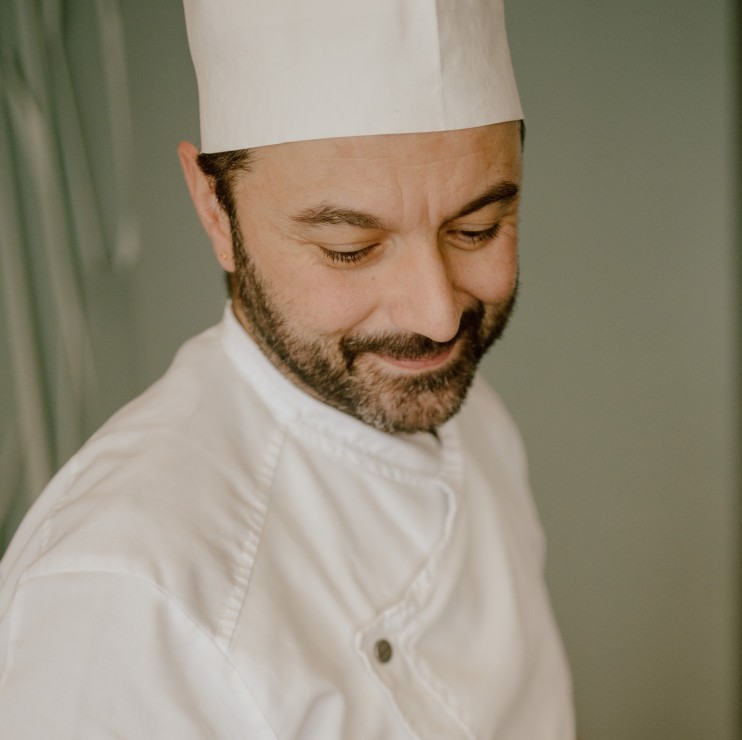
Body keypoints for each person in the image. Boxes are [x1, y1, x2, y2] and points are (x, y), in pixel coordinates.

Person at [0, 1, 576, 737]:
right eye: (350, 249)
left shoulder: (477, 419)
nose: (437, 315)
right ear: (215, 208)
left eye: (477, 229)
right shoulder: (120, 597)